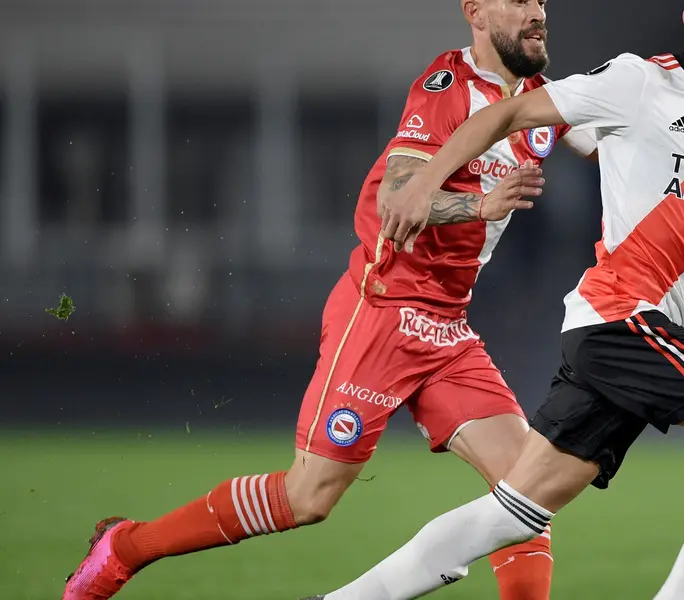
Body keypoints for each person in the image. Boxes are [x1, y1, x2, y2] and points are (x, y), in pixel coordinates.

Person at [303, 1, 684, 599]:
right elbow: (502, 117)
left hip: (616, 330)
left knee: (513, 514)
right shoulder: (636, 82)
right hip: (622, 317)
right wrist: (427, 183)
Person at [61, 2, 601, 599]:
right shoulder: (445, 88)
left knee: (526, 493)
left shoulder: (546, 101)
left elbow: (630, 144)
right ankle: (126, 548)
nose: (537, 12)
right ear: (475, 12)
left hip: (447, 329)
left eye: (541, 2)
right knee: (307, 497)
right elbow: (399, 197)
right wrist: (479, 204)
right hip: (383, 313)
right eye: (519, 0)